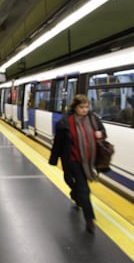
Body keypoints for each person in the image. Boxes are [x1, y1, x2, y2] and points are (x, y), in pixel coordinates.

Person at [49, 94, 107, 234]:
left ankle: (86, 214)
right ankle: (84, 209)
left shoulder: (93, 119)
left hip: (87, 160)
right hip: (72, 159)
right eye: (81, 107)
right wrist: (54, 159)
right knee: (72, 181)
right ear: (74, 107)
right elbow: (59, 143)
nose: (85, 110)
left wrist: (101, 134)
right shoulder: (65, 122)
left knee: (83, 190)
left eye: (87, 107)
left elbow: (102, 132)